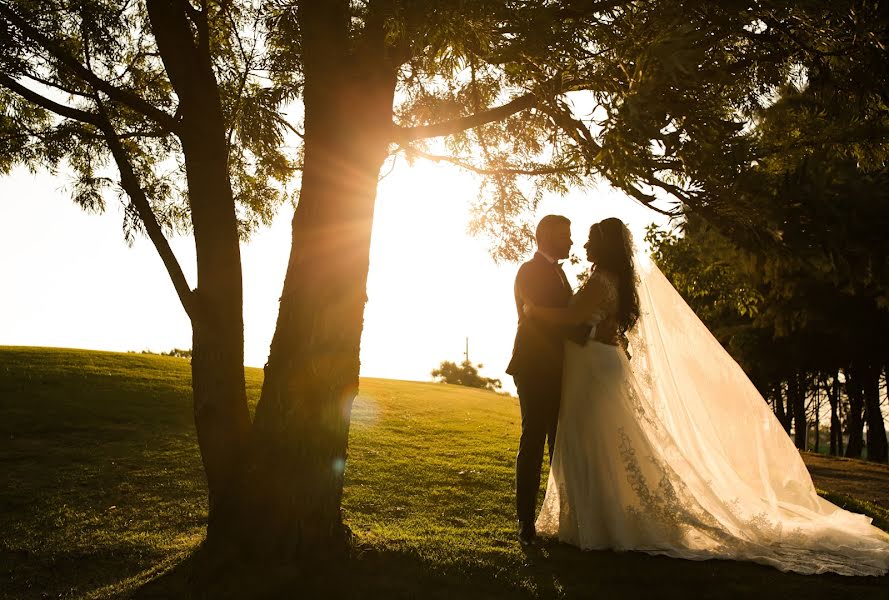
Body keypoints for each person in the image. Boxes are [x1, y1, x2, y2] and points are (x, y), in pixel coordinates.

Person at [524, 217, 889, 576]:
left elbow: (571, 317)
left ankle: (600, 524)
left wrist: (533, 310)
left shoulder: (602, 280)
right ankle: (597, 518)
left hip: (595, 370)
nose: (582, 245)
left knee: (596, 443)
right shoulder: (612, 279)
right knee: (601, 443)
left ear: (602, 246)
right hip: (599, 364)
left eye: (588, 239)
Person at [506, 215, 618, 546]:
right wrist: (593, 331)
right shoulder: (529, 271)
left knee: (559, 443)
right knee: (534, 438)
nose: (571, 241)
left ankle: (564, 518)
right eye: (564, 235)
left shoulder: (560, 272)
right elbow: (541, 319)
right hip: (534, 367)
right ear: (546, 237)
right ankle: (525, 523)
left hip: (561, 369)